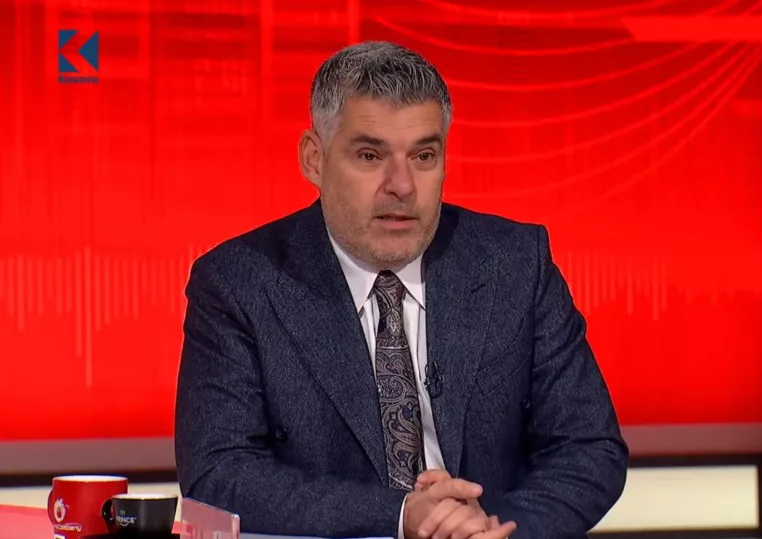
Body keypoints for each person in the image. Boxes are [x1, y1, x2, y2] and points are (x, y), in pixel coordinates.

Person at [174, 41, 628, 539]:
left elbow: (588, 448)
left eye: (424, 156)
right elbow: (219, 472)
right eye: (370, 155)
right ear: (314, 159)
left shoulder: (515, 263)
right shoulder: (240, 282)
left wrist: (495, 530)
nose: (402, 185)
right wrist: (402, 515)